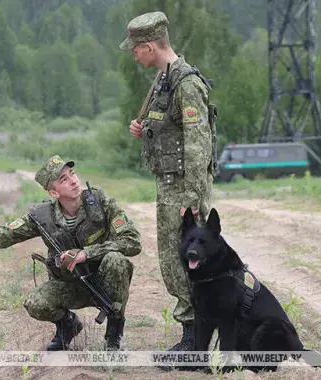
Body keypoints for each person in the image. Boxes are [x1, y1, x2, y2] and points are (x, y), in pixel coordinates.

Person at [0, 155, 142, 351]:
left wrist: (86, 253)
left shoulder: (100, 202)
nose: (74, 181)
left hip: (105, 282)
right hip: (71, 285)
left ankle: (114, 334)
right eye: (64, 179)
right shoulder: (42, 217)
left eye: (72, 174)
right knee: (36, 303)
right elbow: (1, 235)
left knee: (117, 261)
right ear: (53, 192)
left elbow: (132, 241)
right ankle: (68, 325)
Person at [119, 11, 217, 352]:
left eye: (135, 48)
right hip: (169, 185)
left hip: (183, 189)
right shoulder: (164, 80)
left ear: (149, 46)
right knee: (173, 262)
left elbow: (197, 143)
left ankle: (196, 342)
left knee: (187, 261)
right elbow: (169, 128)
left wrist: (191, 198)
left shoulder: (186, 84)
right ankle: (193, 336)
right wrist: (142, 128)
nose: (132, 54)